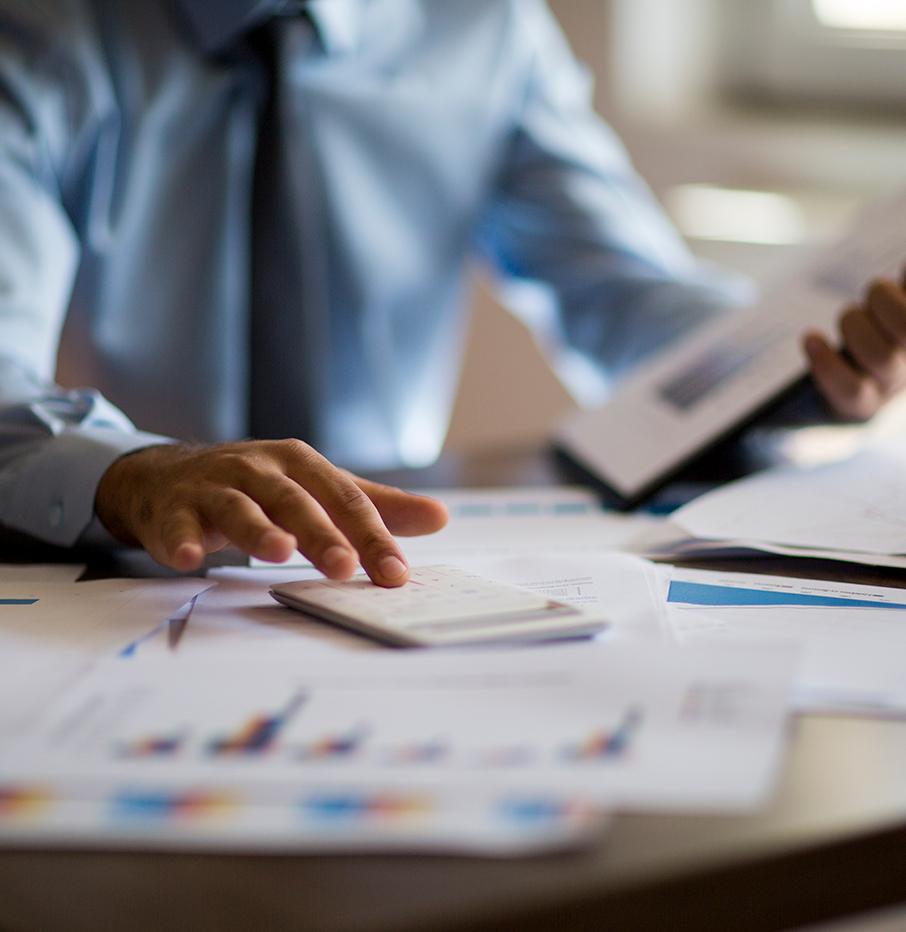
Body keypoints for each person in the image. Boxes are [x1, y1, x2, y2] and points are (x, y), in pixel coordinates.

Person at [1, 0, 904, 586]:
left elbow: (625, 296)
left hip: (386, 560)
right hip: (107, 566)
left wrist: (800, 367)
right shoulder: (35, 32)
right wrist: (133, 472)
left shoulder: (484, 27)